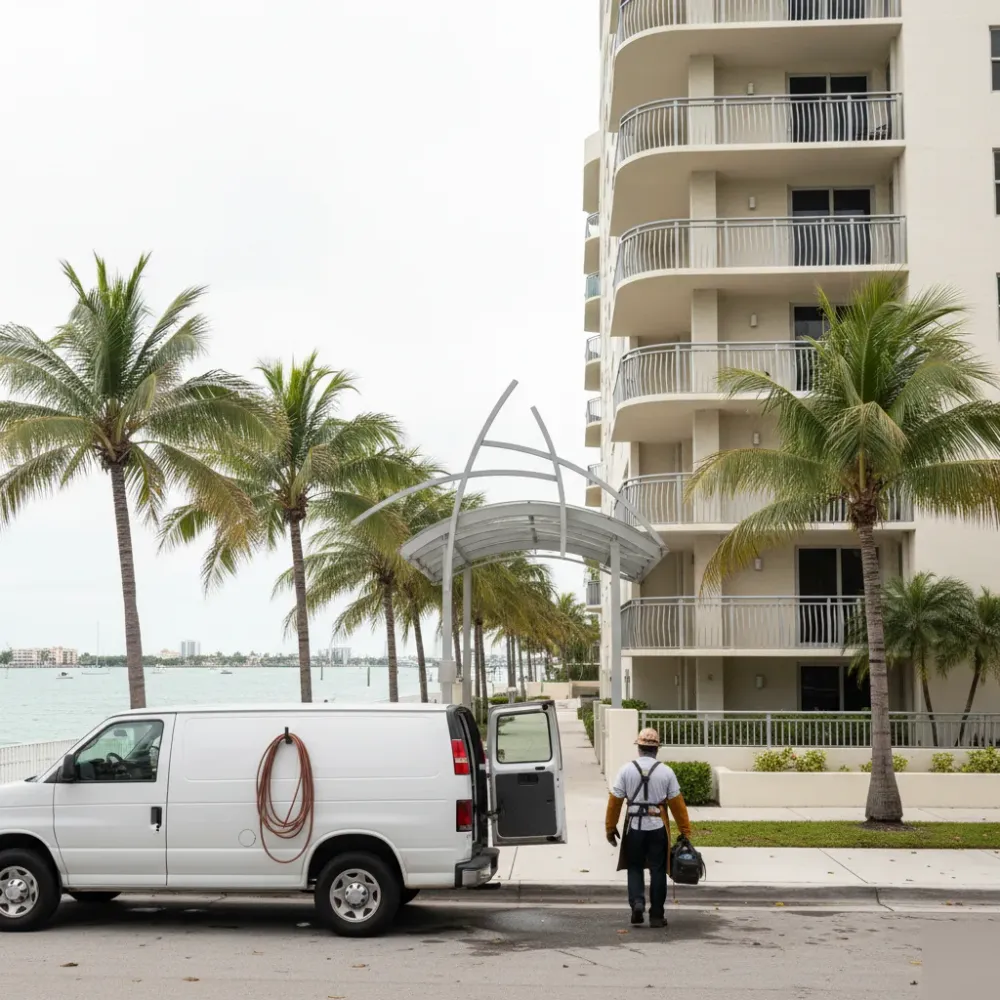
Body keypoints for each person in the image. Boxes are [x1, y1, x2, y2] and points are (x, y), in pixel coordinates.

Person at [605, 726, 692, 928]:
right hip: (657, 827)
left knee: (634, 867)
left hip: (634, 827)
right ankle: (656, 915)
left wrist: (610, 827)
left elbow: (615, 801)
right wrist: (685, 832)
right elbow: (678, 806)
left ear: (639, 748)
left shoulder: (626, 770)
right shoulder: (666, 772)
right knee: (658, 870)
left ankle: (637, 903)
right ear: (656, 749)